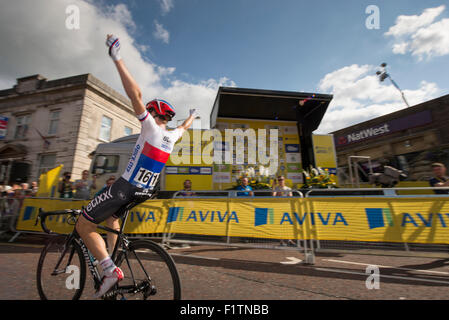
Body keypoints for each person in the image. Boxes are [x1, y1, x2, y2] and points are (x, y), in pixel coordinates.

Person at [75, 34, 198, 299]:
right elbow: (184, 128)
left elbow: (136, 94)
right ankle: (114, 260)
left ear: (153, 114)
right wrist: (191, 116)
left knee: (83, 226)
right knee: (113, 217)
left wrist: (117, 57)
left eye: (148, 112)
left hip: (125, 187)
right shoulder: (172, 136)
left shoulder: (150, 127)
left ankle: (109, 271)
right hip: (144, 191)